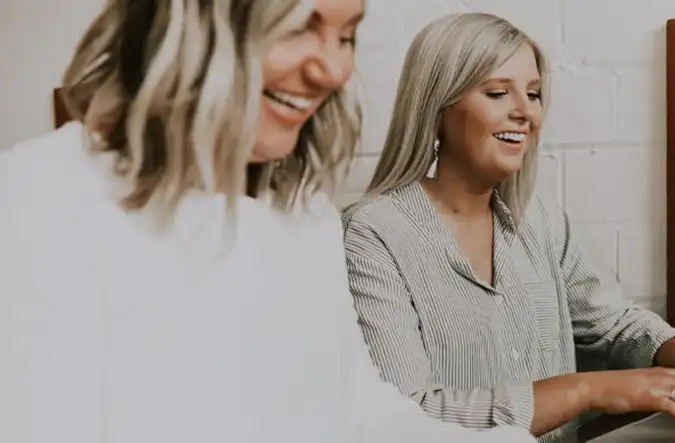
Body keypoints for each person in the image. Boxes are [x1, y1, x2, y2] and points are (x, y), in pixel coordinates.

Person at [0, 1, 536, 442]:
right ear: (197, 19)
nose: (331, 69)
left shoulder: (305, 219)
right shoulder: (42, 198)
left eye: (346, 36)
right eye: (300, 25)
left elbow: (367, 420)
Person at [342, 12, 675, 442]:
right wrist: (587, 390)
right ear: (437, 106)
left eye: (534, 94)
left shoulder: (539, 222)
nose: (525, 112)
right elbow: (410, 417)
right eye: (498, 92)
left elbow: (610, 322)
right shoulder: (372, 235)